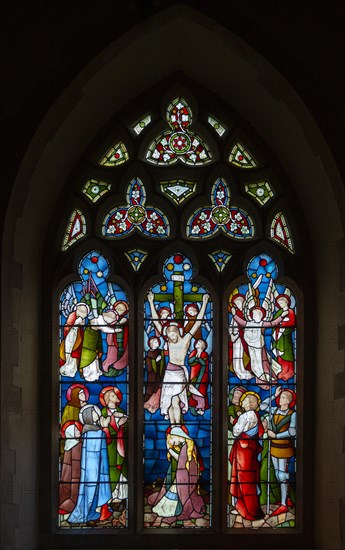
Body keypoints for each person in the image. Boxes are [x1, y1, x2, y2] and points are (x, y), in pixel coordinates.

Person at [147, 291, 210, 424]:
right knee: (169, 401)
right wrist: (151, 302)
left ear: (177, 331)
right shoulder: (169, 341)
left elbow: (197, 324)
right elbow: (156, 322)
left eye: (172, 333)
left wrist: (204, 303)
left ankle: (178, 427)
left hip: (179, 373)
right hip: (168, 373)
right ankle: (173, 428)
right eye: (168, 335)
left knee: (175, 399)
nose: (170, 336)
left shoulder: (185, 340)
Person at [148, 426, 205, 521]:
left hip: (185, 477)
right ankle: (172, 509)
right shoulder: (185, 445)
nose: (171, 441)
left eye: (172, 438)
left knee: (182, 493)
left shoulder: (188, 446)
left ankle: (179, 510)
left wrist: (169, 450)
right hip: (182, 476)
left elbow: (181, 460)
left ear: (178, 436)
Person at [68, 404, 113, 526]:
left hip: (97, 466)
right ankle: (88, 513)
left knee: (96, 489)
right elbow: (95, 450)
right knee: (91, 489)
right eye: (93, 412)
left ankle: (94, 511)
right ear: (88, 416)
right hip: (92, 468)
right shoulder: (92, 432)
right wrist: (104, 428)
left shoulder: (94, 431)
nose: (97, 413)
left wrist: (104, 428)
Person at [231, 305, 287, 388]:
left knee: (263, 364)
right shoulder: (248, 323)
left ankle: (268, 378)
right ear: (251, 315)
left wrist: (282, 316)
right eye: (254, 313)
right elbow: (240, 321)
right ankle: (261, 379)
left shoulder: (263, 324)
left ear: (262, 316)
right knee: (255, 366)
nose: (256, 315)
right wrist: (234, 314)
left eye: (258, 314)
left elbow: (273, 323)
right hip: (251, 348)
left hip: (260, 349)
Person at [229, 391, 265, 521]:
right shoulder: (255, 415)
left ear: (249, 404)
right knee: (249, 478)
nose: (243, 402)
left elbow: (236, 431)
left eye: (244, 400)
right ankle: (247, 507)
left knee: (242, 478)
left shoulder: (246, 416)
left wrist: (234, 421)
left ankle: (247, 510)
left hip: (243, 452)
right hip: (250, 451)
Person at [260, 386, 296, 516]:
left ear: (290, 401)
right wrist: (274, 395)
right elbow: (263, 406)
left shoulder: (293, 414)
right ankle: (286, 498)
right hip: (274, 446)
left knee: (282, 475)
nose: (281, 399)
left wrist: (276, 436)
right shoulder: (274, 410)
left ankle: (284, 505)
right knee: (277, 474)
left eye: (284, 397)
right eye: (281, 397)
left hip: (284, 447)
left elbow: (293, 431)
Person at [100, 386, 128, 501]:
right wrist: (118, 425)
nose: (116, 397)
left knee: (122, 469)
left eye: (116, 395)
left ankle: (121, 496)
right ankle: (110, 496)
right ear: (107, 399)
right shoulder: (103, 412)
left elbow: (128, 429)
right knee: (110, 469)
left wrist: (123, 423)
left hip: (122, 446)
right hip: (109, 446)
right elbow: (102, 429)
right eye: (112, 395)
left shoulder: (122, 412)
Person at [59, 420, 82, 517]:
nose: (79, 431)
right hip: (74, 477)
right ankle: (70, 505)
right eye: (76, 430)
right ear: (71, 433)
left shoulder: (68, 445)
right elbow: (76, 469)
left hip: (66, 477)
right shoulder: (76, 446)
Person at [59, 303, 89, 377]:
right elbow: (68, 327)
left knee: (75, 355)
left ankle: (73, 369)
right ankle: (69, 369)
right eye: (82, 311)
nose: (83, 314)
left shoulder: (80, 318)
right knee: (69, 353)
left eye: (85, 312)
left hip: (77, 338)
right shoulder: (73, 316)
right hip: (71, 338)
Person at [271, 294, 296, 381]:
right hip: (278, 336)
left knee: (286, 354)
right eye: (279, 303)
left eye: (281, 302)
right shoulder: (279, 313)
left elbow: (292, 324)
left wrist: (283, 328)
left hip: (285, 337)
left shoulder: (291, 311)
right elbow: (274, 323)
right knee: (278, 354)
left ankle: (288, 371)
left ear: (286, 302)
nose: (280, 304)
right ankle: (280, 370)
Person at [60, 384, 88, 456]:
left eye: (84, 393)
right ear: (75, 395)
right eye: (81, 394)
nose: (84, 395)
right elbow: (67, 423)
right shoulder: (70, 407)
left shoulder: (86, 406)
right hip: (73, 437)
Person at [228, 293, 251, 380]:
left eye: (239, 302)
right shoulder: (235, 314)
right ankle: (238, 371)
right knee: (236, 355)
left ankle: (245, 370)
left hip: (245, 338)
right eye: (236, 303)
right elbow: (231, 326)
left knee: (245, 354)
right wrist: (232, 334)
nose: (238, 304)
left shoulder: (247, 314)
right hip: (236, 339)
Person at [102, 301, 129, 375]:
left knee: (123, 355)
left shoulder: (126, 320)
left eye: (122, 310)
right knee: (111, 355)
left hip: (124, 341)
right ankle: (107, 368)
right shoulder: (111, 317)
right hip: (113, 342)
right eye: (117, 309)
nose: (119, 311)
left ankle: (118, 368)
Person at [187, 339, 210, 415]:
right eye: (197, 342)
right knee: (192, 389)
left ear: (203, 346)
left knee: (201, 392)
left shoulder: (205, 354)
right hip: (193, 375)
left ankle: (201, 407)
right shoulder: (193, 353)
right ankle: (194, 406)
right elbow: (189, 362)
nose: (197, 343)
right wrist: (196, 358)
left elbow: (204, 364)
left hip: (203, 376)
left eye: (199, 343)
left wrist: (198, 359)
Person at [144, 336, 165, 414]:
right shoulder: (149, 353)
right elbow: (149, 365)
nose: (158, 343)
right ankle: (148, 404)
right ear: (151, 344)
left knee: (159, 390)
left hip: (160, 376)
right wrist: (155, 361)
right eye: (156, 342)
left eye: (158, 342)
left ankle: (155, 405)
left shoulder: (160, 351)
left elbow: (164, 361)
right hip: (152, 377)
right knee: (151, 390)